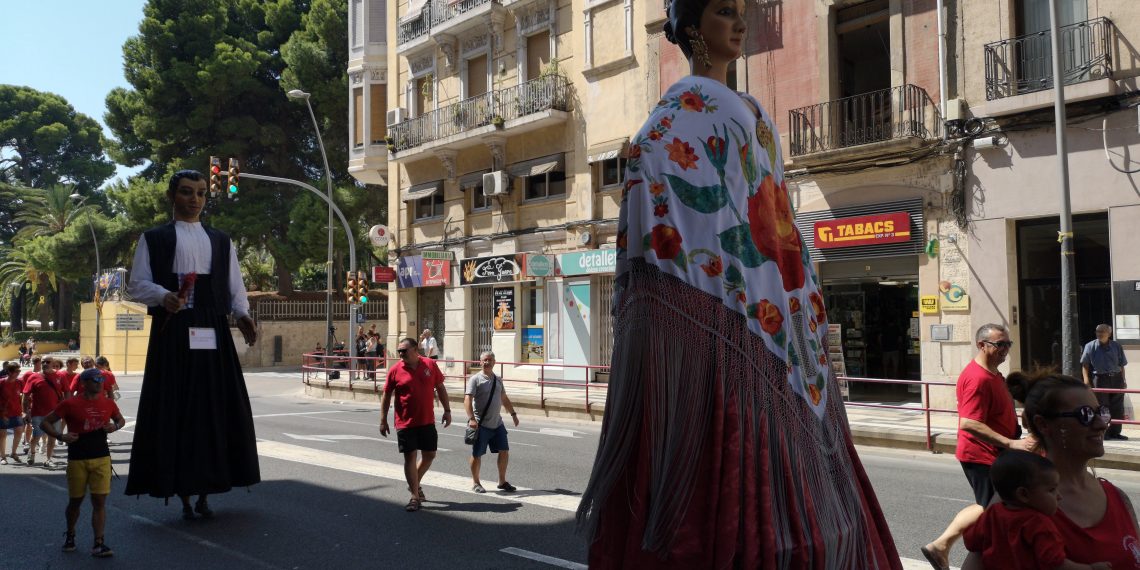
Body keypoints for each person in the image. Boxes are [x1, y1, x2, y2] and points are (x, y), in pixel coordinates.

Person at [575, 0, 900, 566]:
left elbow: (768, 199)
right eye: (725, 11)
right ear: (695, 29)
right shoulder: (672, 120)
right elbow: (666, 191)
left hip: (776, 287)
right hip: (736, 295)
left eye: (741, 10)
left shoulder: (743, 106)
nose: (741, 22)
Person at [124, 169, 261, 519]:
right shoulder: (153, 238)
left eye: (201, 193)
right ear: (173, 196)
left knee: (215, 410)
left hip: (212, 331)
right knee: (175, 409)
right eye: (187, 192)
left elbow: (234, 284)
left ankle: (207, 487)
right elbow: (137, 284)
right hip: (172, 334)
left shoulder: (220, 239)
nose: (195, 199)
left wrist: (242, 314)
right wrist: (163, 295)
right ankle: (181, 489)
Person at [963, 371, 1140, 568]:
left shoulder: (1118, 497)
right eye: (1085, 415)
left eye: (1101, 412)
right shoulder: (1017, 501)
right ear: (1043, 424)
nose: (1101, 424)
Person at [922, 324, 1036, 569]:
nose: (1005, 350)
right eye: (999, 345)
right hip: (982, 455)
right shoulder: (977, 378)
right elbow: (970, 423)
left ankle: (942, 546)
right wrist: (1010, 442)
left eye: (1008, 344)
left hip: (995, 454)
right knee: (993, 508)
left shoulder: (993, 373)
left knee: (990, 505)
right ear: (982, 345)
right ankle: (946, 547)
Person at [963, 450, 1111, 570]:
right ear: (1024, 494)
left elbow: (971, 542)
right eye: (1051, 490)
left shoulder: (992, 513)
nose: (1058, 496)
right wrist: (1091, 568)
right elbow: (1055, 564)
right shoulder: (1039, 524)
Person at [39, 368, 126, 558]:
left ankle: (98, 543)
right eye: (95, 380)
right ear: (84, 383)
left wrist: (115, 426)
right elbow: (45, 422)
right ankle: (70, 534)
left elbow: (121, 420)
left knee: (99, 502)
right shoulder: (70, 403)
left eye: (101, 379)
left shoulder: (108, 402)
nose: (99, 382)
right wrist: (61, 435)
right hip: (77, 458)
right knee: (75, 501)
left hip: (102, 458)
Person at [379, 338, 452, 512]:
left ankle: (414, 483)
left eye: (404, 350)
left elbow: (440, 388)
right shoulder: (395, 370)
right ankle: (414, 496)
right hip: (405, 422)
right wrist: (383, 419)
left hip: (426, 420)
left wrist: (447, 410)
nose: (401, 354)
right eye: (399, 351)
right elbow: (386, 395)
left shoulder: (429, 365)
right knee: (409, 457)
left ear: (415, 349)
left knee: (430, 455)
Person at [464, 351, 519, 494]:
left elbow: (504, 398)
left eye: (490, 360)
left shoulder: (498, 380)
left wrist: (513, 414)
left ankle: (502, 481)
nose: (487, 362)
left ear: (494, 362)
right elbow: (467, 399)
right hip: (481, 425)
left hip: (497, 423)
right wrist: (471, 419)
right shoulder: (475, 379)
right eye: (484, 360)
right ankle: (476, 483)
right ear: (480, 362)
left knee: (504, 451)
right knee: (477, 454)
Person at [1081, 324, 1129, 440]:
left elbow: (1121, 365)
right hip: (1100, 378)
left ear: (1109, 333)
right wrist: (1086, 379)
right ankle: (1104, 432)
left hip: (1117, 378)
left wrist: (1123, 379)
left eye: (1102, 332)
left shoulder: (1116, 346)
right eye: (1098, 331)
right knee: (1103, 407)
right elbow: (1085, 364)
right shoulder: (1090, 346)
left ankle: (1116, 432)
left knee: (1118, 407)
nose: (1100, 334)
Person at [22, 364, 65, 468]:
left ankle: (48, 459)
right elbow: (25, 395)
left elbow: (67, 392)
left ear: (53, 364)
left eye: (48, 362)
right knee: (36, 436)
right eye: (44, 361)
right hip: (38, 413)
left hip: (55, 414)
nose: (46, 364)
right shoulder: (34, 377)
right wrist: (25, 411)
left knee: (52, 437)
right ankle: (32, 453)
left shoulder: (60, 376)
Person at [0, 363, 25, 465]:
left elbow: (24, 395)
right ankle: (3, 457)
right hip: (3, 413)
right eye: (16, 371)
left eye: (19, 371)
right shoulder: (1, 382)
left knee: (19, 431)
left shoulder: (20, 382)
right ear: (9, 372)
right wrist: (2, 413)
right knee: (2, 435)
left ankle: (13, 453)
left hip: (17, 411)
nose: (18, 373)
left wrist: (24, 409)